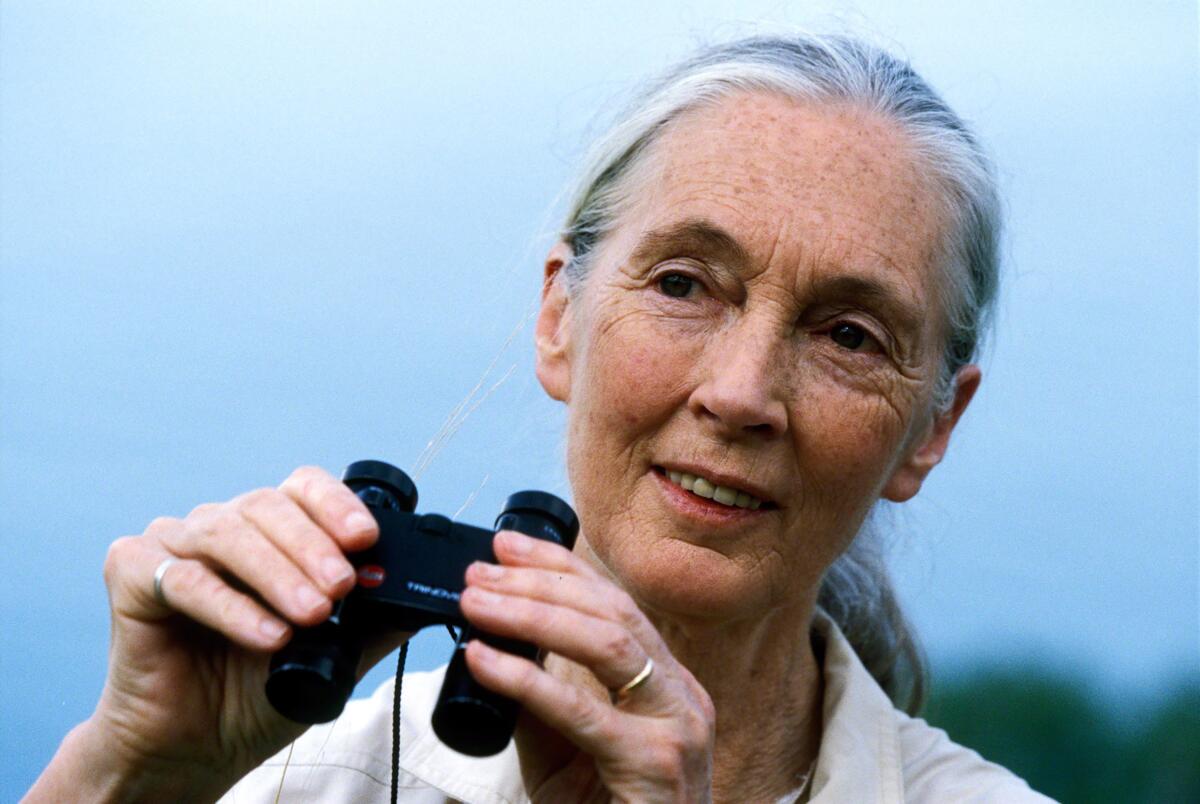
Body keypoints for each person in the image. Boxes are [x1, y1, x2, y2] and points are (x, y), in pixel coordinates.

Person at [27, 32, 1055, 802]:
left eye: (850, 338)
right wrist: (132, 773)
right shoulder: (316, 779)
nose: (741, 394)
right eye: (687, 284)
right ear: (560, 314)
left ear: (931, 427)